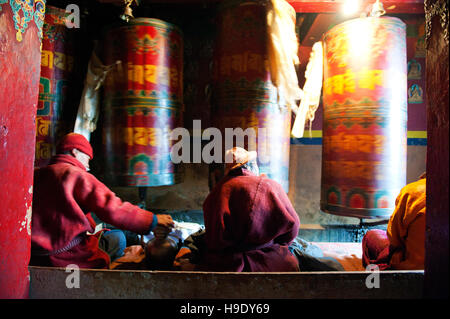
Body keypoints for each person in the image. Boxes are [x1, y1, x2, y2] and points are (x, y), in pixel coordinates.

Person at [30, 133, 174, 269]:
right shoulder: (76, 174)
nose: (88, 166)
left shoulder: (37, 174)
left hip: (36, 254)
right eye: (87, 158)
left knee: (114, 237)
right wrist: (152, 220)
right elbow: (113, 208)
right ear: (75, 152)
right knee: (119, 239)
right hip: (68, 257)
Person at [175, 147, 301, 272]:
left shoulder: (218, 192)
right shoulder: (270, 185)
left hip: (227, 265)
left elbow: (213, 239)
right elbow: (292, 230)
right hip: (272, 263)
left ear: (228, 169)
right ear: (252, 166)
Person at [362, 173, 426, 270]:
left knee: (371, 236)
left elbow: (394, 239)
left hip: (412, 272)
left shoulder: (413, 191)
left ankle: (375, 283)